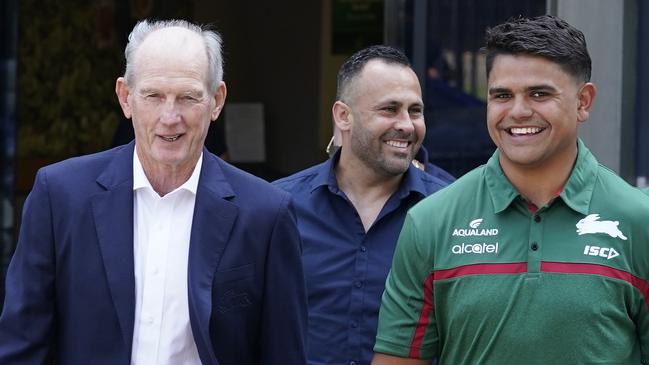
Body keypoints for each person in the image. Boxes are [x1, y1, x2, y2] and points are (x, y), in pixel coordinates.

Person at [0, 19, 307, 365]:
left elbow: (283, 355)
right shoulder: (59, 196)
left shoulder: (266, 213)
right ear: (125, 97)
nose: (170, 116)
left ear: (217, 100)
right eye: (153, 96)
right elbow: (22, 346)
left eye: (188, 97)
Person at [372, 15, 649, 365]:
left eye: (539, 94)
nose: (518, 111)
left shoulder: (639, 221)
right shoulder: (431, 221)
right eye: (502, 95)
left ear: (583, 102)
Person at [273, 45, 450, 365]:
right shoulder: (279, 208)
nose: (407, 125)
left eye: (415, 110)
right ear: (343, 116)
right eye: (389, 109)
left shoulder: (449, 210)